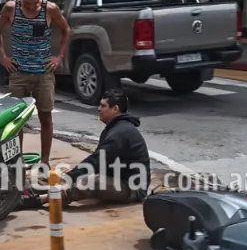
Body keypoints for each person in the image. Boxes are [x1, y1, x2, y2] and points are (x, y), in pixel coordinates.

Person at [20, 89, 150, 209]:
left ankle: (42, 199)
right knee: (71, 173)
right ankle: (30, 190)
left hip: (132, 188)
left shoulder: (120, 133)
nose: (99, 109)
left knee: (91, 181)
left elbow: (97, 161)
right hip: (115, 176)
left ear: (115, 109)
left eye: (103, 106)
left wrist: (70, 176)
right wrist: (72, 173)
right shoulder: (115, 128)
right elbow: (97, 160)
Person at [0, 0, 70, 166]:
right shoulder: (11, 9)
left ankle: (44, 161)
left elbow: (66, 30)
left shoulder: (49, 9)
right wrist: (3, 58)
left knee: (46, 117)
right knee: (16, 121)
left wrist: (59, 57)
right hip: (19, 73)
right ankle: (17, 161)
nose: (32, 7)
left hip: (43, 73)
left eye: (35, 3)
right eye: (28, 3)